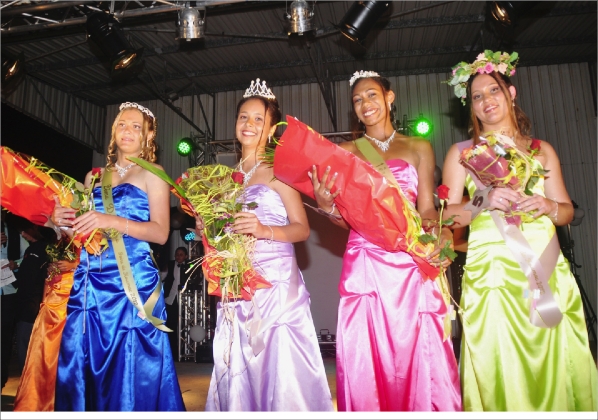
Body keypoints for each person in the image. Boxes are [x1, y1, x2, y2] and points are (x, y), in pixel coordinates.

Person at [441, 51, 598, 410]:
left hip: (545, 270)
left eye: (492, 91)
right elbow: (446, 218)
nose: (486, 101)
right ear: (472, 107)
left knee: (555, 358)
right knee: (500, 363)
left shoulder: (542, 151)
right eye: (477, 96)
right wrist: (482, 199)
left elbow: (567, 212)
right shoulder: (463, 154)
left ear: (510, 93)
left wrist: (548, 206)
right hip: (492, 275)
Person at [307, 70, 461, 411]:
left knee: (418, 345)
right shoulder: (345, 151)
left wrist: (440, 236)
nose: (365, 104)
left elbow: (425, 209)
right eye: (358, 100)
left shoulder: (419, 146)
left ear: (389, 98)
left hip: (410, 259)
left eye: (372, 95)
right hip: (366, 257)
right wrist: (326, 204)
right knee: (367, 346)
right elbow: (343, 219)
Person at [204, 79, 333, 411]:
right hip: (236, 284)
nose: (249, 125)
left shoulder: (280, 171)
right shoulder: (221, 179)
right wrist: (205, 230)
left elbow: (302, 229)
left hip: (276, 286)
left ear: (272, 127)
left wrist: (263, 229)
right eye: (244, 117)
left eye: (258, 119)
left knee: (279, 370)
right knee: (239, 364)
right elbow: (212, 235)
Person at [50, 102, 185, 411]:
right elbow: (84, 235)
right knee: (83, 361)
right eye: (122, 124)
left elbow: (161, 233)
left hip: (132, 282)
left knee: (132, 365)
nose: (128, 131)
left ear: (147, 137)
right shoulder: (93, 177)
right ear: (113, 132)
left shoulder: (155, 174)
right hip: (90, 283)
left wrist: (110, 221)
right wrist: (61, 222)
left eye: (136, 127)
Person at [13, 242, 79, 411]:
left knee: (69, 355)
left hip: (74, 301)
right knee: (44, 353)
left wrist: (74, 265)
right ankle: (42, 401)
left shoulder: (91, 236)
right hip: (52, 302)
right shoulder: (59, 242)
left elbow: (104, 264)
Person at [13, 221, 54, 374]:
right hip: (41, 304)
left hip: (29, 306)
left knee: (27, 349)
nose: (23, 234)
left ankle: (28, 384)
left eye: (25, 231)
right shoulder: (49, 248)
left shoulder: (35, 250)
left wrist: (12, 274)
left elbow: (27, 279)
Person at [0, 209, 28, 390]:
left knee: (4, 338)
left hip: (8, 293)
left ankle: (1, 380)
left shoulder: (14, 233)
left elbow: (29, 255)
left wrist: (15, 264)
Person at [163, 246, 190, 359]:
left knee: (183, 325)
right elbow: (162, 277)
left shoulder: (189, 266)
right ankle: (171, 352)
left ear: (186, 256)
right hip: (170, 298)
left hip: (184, 299)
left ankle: (183, 351)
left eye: (181, 254)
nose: (178, 256)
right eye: (177, 254)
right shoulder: (169, 264)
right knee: (170, 325)